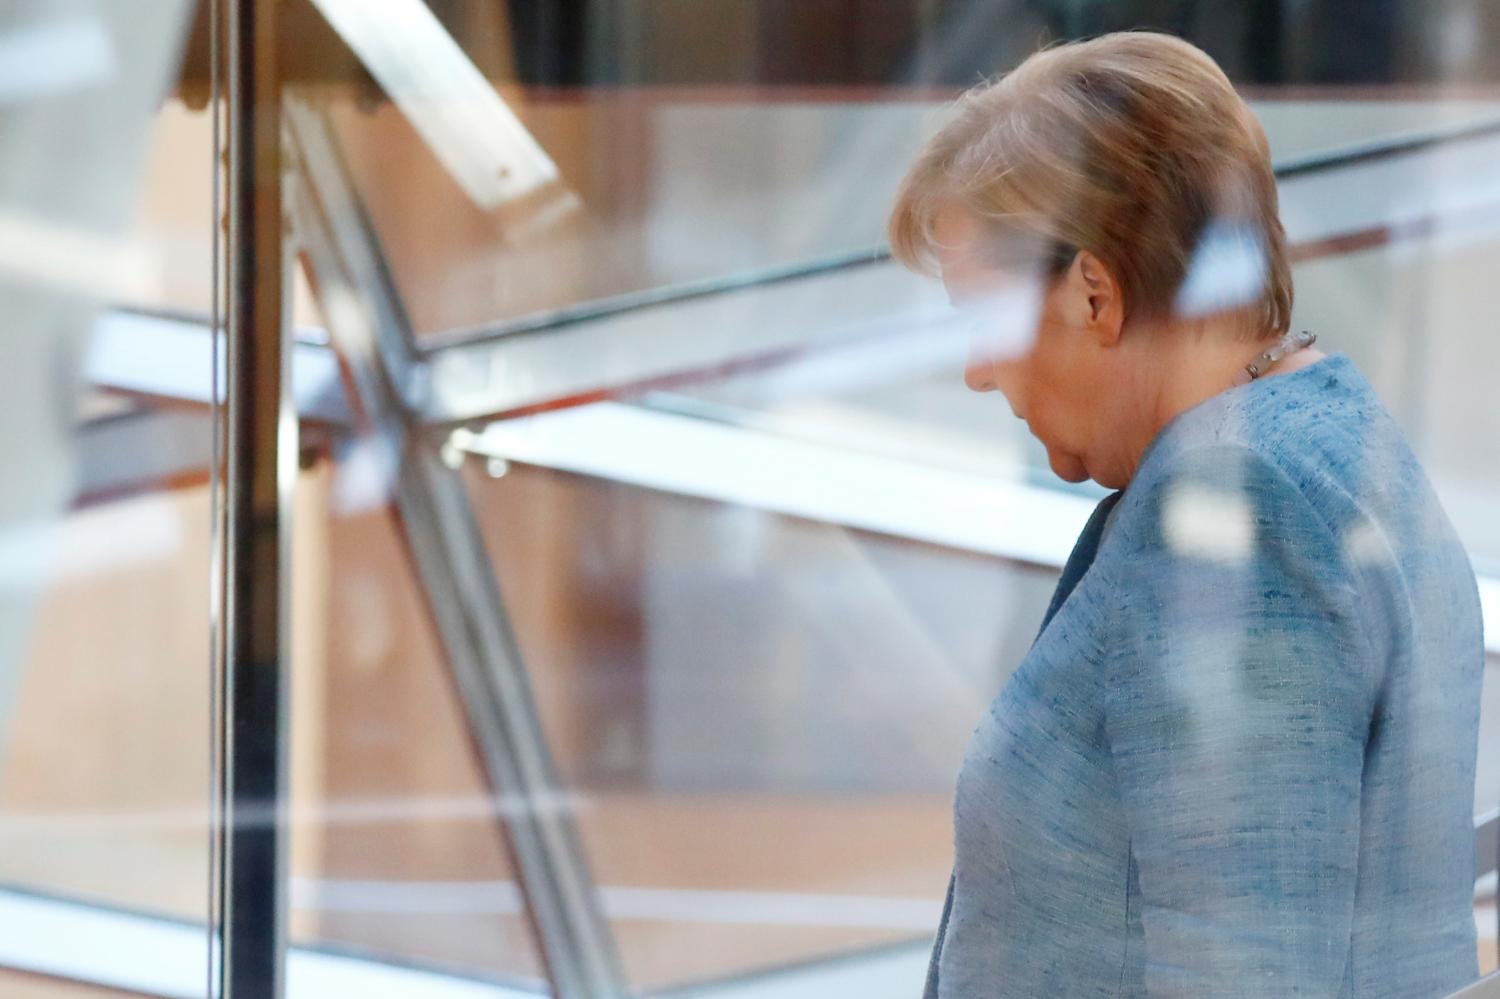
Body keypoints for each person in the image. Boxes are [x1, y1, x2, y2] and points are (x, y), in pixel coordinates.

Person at [887, 31, 1485, 998]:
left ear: (1093, 291)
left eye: (982, 315)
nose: (976, 368)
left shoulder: (1238, 519)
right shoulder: (1323, 433)